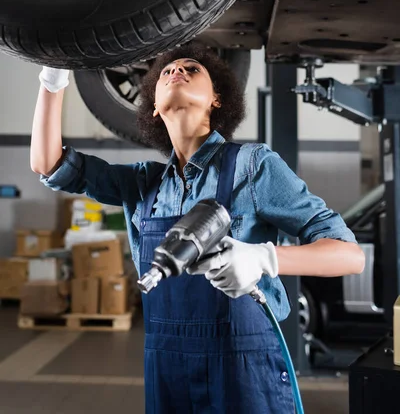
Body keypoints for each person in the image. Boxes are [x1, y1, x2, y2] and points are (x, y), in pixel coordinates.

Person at [31, 45, 365, 414]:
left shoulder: (253, 166)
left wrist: (264, 257)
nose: (176, 70)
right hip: (167, 372)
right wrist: (54, 76)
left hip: (243, 372)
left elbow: (349, 256)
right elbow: (48, 164)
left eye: (191, 68)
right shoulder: (143, 185)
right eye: (165, 72)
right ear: (154, 107)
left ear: (216, 99)